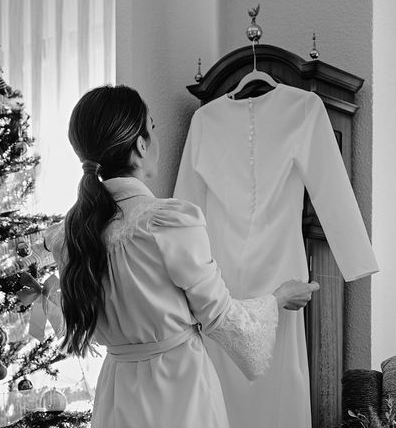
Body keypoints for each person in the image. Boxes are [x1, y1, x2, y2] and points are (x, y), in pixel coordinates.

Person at [45, 85, 319, 428]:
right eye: (153, 127)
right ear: (141, 145)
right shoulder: (166, 222)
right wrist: (279, 297)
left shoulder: (69, 237)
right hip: (177, 389)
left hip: (116, 390)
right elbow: (220, 316)